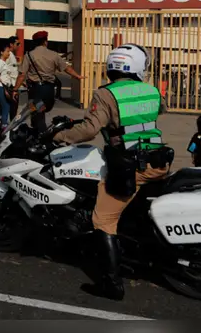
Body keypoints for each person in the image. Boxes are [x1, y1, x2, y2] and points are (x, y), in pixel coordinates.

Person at [53, 44, 172, 301]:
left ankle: (111, 284)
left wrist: (60, 136)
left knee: (103, 220)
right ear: (139, 67)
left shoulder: (105, 94)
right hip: (159, 161)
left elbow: (89, 130)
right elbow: (157, 112)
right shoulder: (152, 91)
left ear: (111, 67)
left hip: (130, 166)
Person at [14, 30, 82, 135]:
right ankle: (38, 134)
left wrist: (15, 89)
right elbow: (66, 68)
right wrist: (77, 76)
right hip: (49, 91)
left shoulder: (29, 55)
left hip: (35, 91)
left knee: (37, 114)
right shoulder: (54, 55)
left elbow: (22, 75)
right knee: (40, 113)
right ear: (45, 42)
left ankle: (42, 136)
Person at [0, 40, 19, 125]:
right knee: (6, 107)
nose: (9, 53)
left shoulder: (3, 63)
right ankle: (4, 125)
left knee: (2, 108)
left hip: (3, 87)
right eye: (7, 51)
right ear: (2, 52)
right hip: (0, 88)